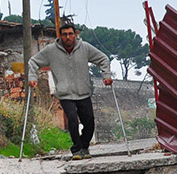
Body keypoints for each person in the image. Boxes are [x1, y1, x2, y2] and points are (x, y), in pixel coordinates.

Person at [27, 22, 113, 160]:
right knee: (72, 120)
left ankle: (84, 147)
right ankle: (77, 150)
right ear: (60, 36)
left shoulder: (84, 48)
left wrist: (106, 76)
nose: (68, 37)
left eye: (71, 34)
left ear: (75, 34)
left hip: (83, 92)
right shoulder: (51, 51)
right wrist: (32, 77)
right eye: (65, 34)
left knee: (89, 121)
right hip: (65, 93)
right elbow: (33, 62)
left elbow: (103, 59)